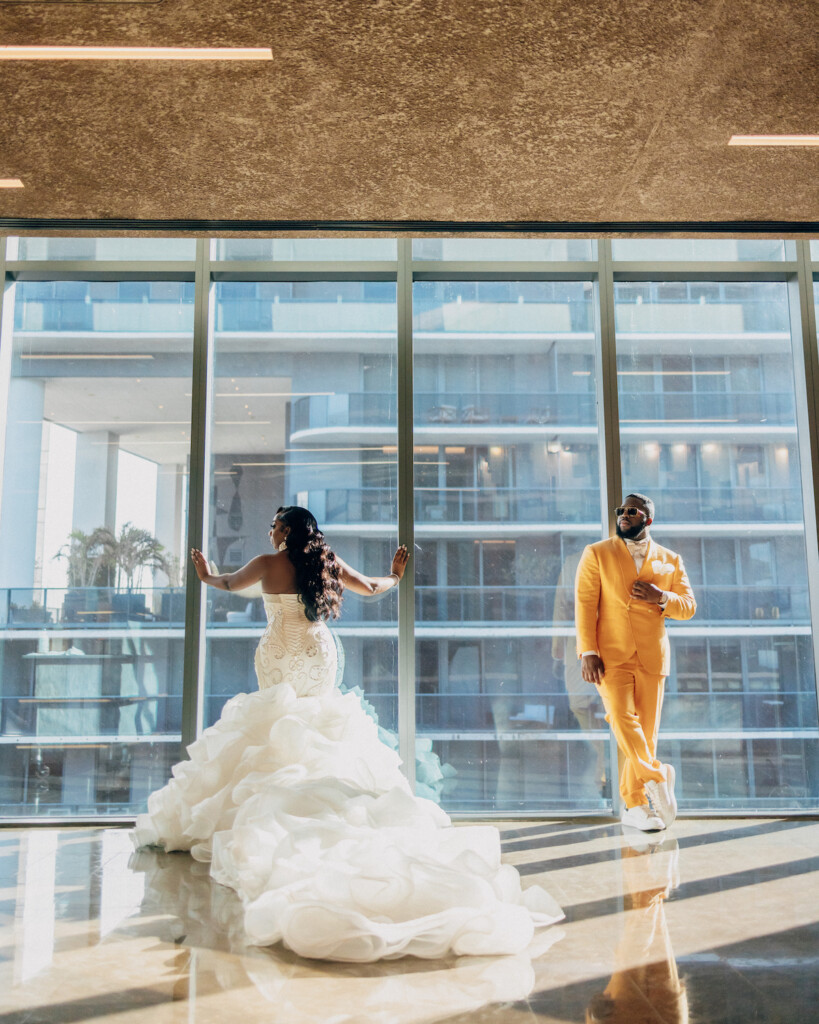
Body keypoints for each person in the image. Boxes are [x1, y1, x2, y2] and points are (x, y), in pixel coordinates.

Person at [134, 505, 563, 962]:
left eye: (275, 523)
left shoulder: (265, 563)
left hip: (278, 650)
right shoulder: (325, 562)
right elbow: (373, 587)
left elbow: (224, 585)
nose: (270, 528)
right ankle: (320, 796)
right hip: (319, 651)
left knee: (276, 721)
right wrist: (396, 576)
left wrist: (205, 573)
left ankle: (278, 803)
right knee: (318, 718)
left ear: (288, 529)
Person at [574, 493, 696, 832]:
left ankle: (637, 804)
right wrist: (587, 651)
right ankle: (657, 775)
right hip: (608, 655)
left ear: (648, 519)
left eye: (632, 511)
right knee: (620, 717)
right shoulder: (596, 553)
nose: (624, 515)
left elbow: (688, 606)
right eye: (621, 511)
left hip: (653, 655)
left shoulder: (670, 559)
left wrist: (662, 598)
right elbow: (585, 604)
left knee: (646, 732)